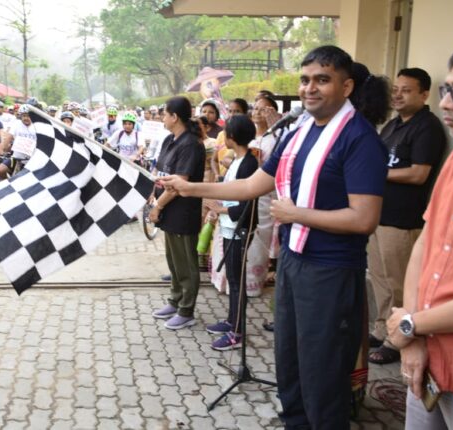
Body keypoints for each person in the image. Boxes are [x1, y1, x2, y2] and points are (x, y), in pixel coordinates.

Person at [160, 46, 388, 429]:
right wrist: (190, 188)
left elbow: (364, 218)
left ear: (347, 86)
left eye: (322, 80)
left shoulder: (359, 138)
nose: (309, 88)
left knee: (322, 373)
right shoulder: (297, 133)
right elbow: (251, 185)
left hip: (330, 270)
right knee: (290, 363)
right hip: (293, 264)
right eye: (305, 79)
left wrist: (297, 215)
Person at [386, 31, 453, 428]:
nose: (446, 102)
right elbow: (427, 245)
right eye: (446, 90)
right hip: (426, 358)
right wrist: (413, 336)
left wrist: (412, 325)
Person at [367, 67, 447, 365]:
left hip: (403, 220)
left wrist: (377, 173)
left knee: (399, 284)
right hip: (379, 215)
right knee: (380, 280)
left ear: (424, 94)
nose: (398, 95)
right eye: (395, 90)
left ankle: (399, 340)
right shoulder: (392, 125)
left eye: (406, 90)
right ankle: (381, 329)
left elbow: (418, 173)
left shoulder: (427, 127)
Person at [203, 115, 260, 350]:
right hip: (228, 226)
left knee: (237, 281)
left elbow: (247, 204)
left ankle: (237, 332)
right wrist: (218, 209)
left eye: (226, 133)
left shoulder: (249, 164)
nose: (223, 137)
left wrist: (220, 209)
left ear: (233, 137)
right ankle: (231, 320)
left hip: (240, 229)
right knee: (232, 278)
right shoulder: (236, 160)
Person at [150, 96, 206, 330]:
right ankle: (175, 300)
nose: (162, 118)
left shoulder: (191, 144)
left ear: (175, 117)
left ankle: (186, 310)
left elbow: (179, 184)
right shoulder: (169, 140)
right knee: (174, 261)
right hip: (168, 211)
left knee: (186, 264)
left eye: (165, 114)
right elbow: (160, 173)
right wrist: (153, 196)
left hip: (183, 211)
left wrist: (158, 206)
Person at [243, 95, 279, 298]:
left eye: (263, 109)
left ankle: (255, 283)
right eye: (256, 108)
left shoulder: (276, 138)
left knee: (260, 239)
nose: (258, 112)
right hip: (245, 192)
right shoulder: (248, 137)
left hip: (266, 196)